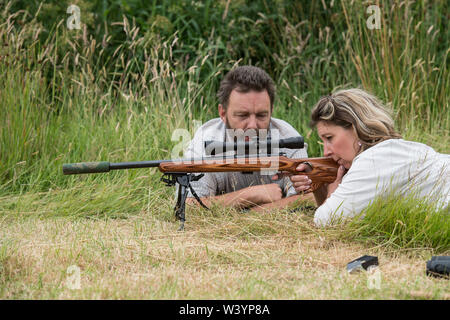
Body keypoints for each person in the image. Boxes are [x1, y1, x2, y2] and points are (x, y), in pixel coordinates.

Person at [289, 88, 449, 227]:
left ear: (355, 128)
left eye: (330, 138)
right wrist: (320, 186)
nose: (326, 152)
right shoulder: (391, 151)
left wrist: (332, 191)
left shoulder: (372, 160)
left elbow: (325, 220)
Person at [184, 65, 313, 211]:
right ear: (223, 113)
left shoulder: (288, 138)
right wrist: (250, 195)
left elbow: (306, 200)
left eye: (261, 115)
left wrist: (253, 213)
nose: (253, 125)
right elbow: (189, 206)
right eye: (242, 115)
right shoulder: (205, 142)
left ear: (271, 111)